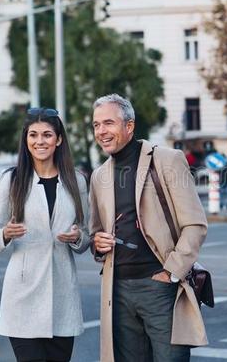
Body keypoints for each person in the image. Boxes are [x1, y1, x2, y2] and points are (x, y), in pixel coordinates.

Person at [89, 94, 208, 362]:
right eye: (96, 125)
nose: (101, 131)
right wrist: (97, 243)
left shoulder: (167, 160)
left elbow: (195, 224)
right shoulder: (99, 176)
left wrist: (171, 273)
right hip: (117, 291)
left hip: (160, 287)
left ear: (129, 126)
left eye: (108, 123)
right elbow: (95, 232)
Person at [0, 107, 91, 362]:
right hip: (22, 296)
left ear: (59, 140)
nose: (39, 141)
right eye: (33, 135)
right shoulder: (11, 180)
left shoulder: (76, 181)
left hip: (63, 295)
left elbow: (87, 234)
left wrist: (78, 237)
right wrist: (6, 234)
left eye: (46, 135)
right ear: (26, 140)